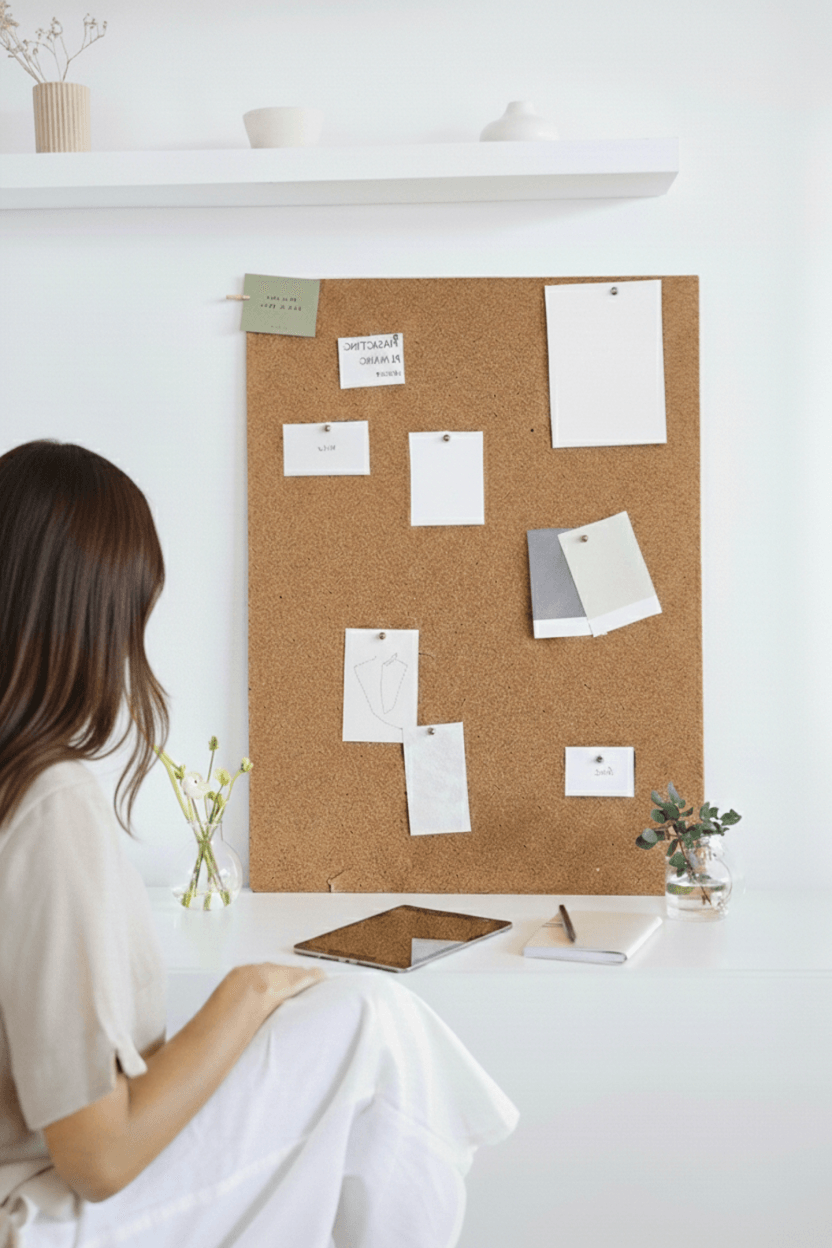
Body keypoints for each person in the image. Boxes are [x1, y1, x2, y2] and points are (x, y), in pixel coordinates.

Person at [0, 441, 519, 1248]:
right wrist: (243, 998)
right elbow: (96, 1158)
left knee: (364, 1015)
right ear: (97, 616)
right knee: (367, 1015)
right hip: (44, 1217)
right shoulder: (48, 800)